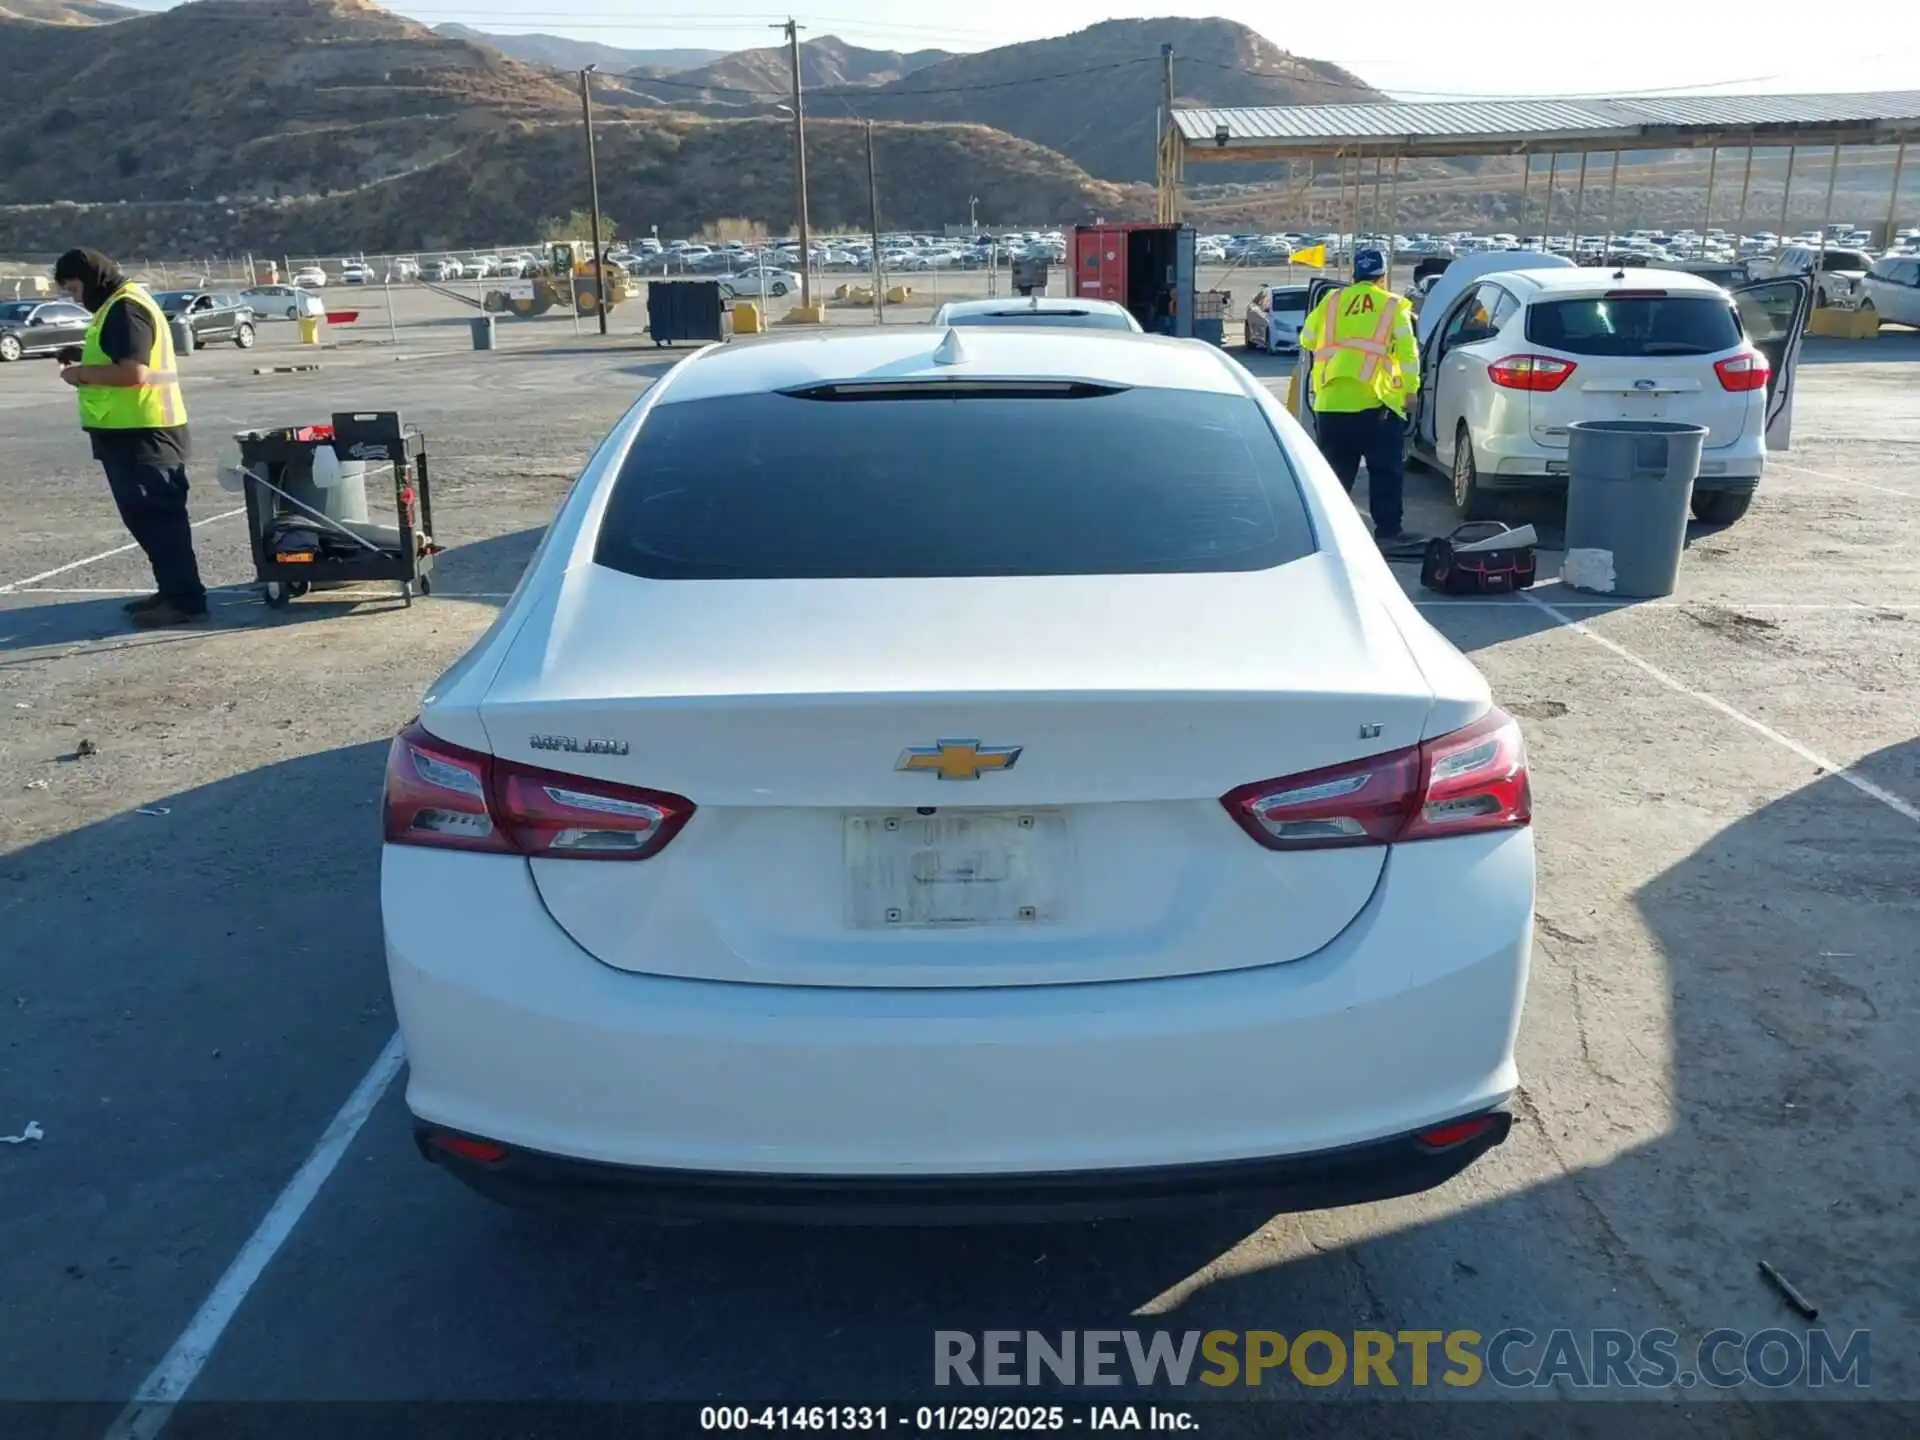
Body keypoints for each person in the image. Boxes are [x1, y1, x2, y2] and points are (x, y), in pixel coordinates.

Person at [52, 248, 207, 628]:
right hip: (128, 433)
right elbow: (121, 355)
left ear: (91, 279)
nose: (76, 298)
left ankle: (184, 600)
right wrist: (83, 354)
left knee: (159, 519)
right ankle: (171, 591)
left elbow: (133, 373)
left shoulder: (125, 308)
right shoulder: (118, 305)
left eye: (74, 289)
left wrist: (80, 374)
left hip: (144, 432)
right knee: (147, 519)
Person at [1298, 246, 1421, 547]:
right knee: (1385, 472)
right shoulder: (1392, 305)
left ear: (1355, 275)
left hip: (1330, 405)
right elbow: (1408, 353)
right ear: (1383, 277)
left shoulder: (1331, 300)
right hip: (1374, 403)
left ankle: (1321, 538)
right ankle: (1388, 533)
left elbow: (1307, 339)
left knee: (1334, 479)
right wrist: (1410, 391)